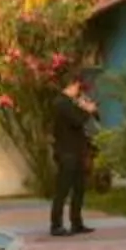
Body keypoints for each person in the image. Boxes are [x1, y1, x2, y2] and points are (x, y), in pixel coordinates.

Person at [47, 73, 98, 236]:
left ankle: (77, 223)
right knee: (62, 190)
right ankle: (56, 225)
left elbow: (86, 118)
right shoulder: (61, 103)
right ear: (72, 85)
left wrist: (88, 109)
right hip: (66, 152)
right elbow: (77, 121)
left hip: (77, 151)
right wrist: (87, 111)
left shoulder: (71, 103)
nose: (79, 91)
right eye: (78, 87)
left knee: (79, 188)